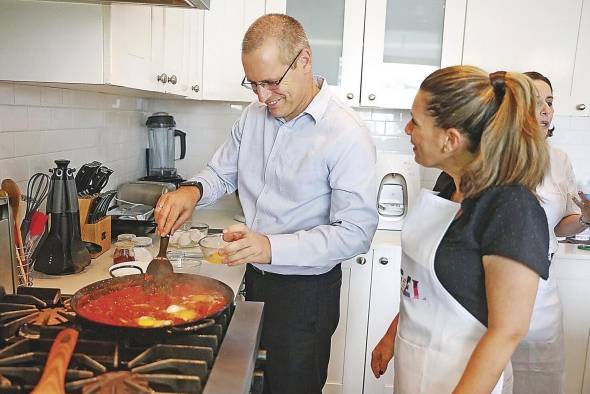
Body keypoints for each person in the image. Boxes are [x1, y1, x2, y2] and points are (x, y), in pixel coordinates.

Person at [154, 14, 378, 394]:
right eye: (253, 84)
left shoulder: (346, 134)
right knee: (250, 383)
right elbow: (221, 172)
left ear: (304, 60)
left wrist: (271, 246)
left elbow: (355, 234)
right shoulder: (253, 117)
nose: (261, 96)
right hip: (253, 279)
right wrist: (191, 190)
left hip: (306, 296)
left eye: (271, 82)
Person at [370, 66, 551, 393]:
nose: (407, 129)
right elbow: (427, 284)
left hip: (463, 381)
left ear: (450, 139)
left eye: (416, 122)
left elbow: (507, 331)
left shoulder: (511, 208)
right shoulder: (447, 186)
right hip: (416, 369)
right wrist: (392, 334)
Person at [507, 71, 590, 394]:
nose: (546, 110)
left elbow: (561, 224)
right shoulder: (496, 154)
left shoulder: (560, 159)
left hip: (542, 289)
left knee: (539, 379)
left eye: (550, 102)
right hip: (496, 283)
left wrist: (585, 217)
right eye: (536, 101)